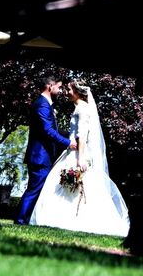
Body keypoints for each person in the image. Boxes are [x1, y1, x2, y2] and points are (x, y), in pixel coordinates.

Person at [30, 79, 130, 237]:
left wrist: (80, 159)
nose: (67, 92)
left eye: (69, 89)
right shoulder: (78, 108)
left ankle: (72, 220)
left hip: (77, 154)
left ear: (77, 92)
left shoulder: (82, 110)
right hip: (72, 151)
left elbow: (82, 136)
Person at [16, 75, 77, 225]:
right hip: (40, 156)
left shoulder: (45, 104)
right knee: (34, 189)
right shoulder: (42, 105)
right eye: (59, 87)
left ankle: (25, 219)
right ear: (50, 86)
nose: (61, 90)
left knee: (36, 188)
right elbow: (47, 130)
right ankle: (20, 220)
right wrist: (68, 142)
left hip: (42, 156)